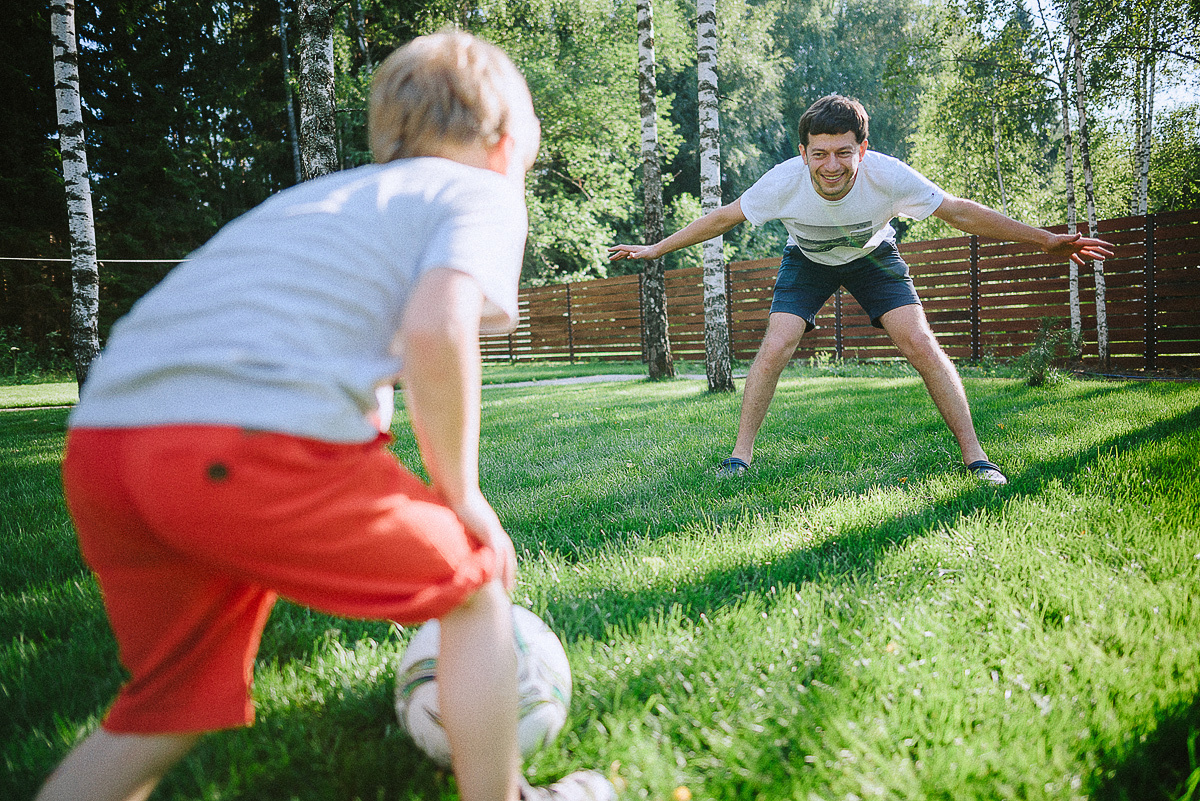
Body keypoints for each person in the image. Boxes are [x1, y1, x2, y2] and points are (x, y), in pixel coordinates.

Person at [37, 30, 612, 801]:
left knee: (166, 705)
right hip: (239, 443)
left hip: (106, 444)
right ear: (509, 145)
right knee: (474, 586)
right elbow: (436, 328)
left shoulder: (317, 203)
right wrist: (461, 492)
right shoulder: (478, 191)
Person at [609, 94, 1114, 484]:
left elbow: (959, 211)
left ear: (862, 150)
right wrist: (656, 249)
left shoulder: (889, 175)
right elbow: (722, 218)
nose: (832, 165)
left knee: (922, 346)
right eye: (821, 154)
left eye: (844, 153)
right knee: (775, 347)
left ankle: (977, 458)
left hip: (874, 257)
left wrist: (1045, 239)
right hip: (806, 261)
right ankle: (739, 458)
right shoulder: (782, 181)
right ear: (803, 152)